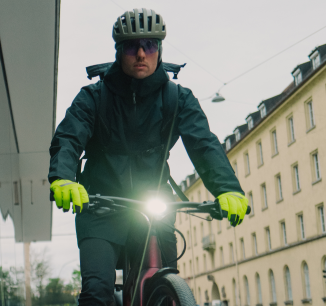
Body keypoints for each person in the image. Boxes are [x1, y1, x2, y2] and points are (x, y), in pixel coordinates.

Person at [47, 8, 249, 306]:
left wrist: (227, 189)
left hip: (154, 204)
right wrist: (63, 178)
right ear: (119, 51)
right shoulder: (93, 97)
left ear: (159, 50)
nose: (141, 53)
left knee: (164, 288)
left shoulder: (177, 98)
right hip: (100, 206)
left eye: (150, 45)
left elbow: (204, 144)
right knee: (97, 292)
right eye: (132, 47)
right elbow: (68, 138)